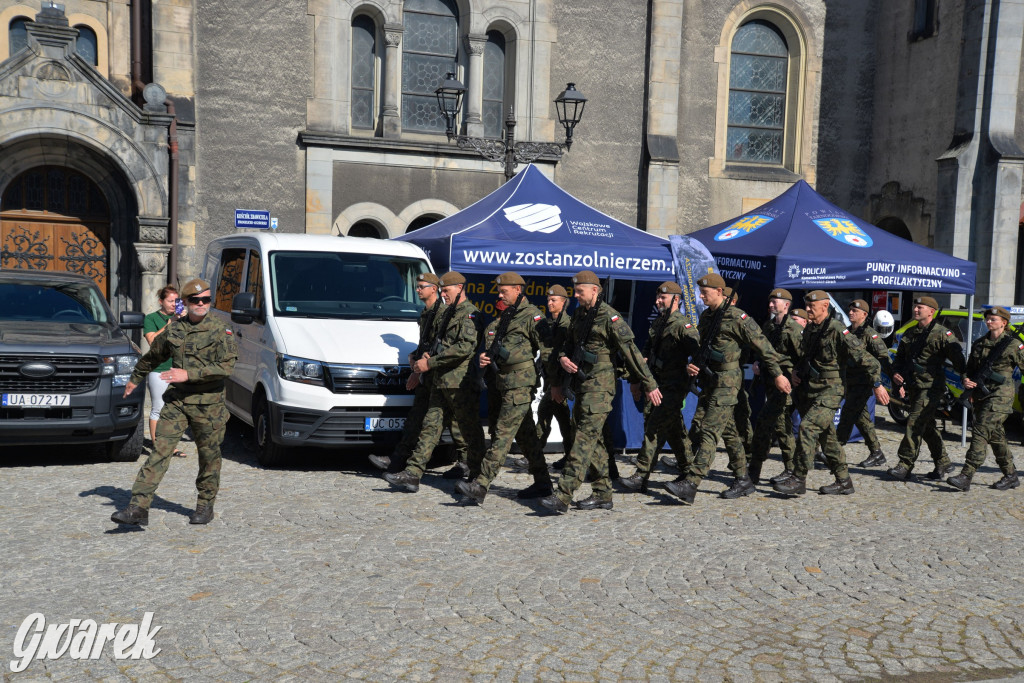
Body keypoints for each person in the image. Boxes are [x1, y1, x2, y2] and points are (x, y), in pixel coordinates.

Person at [110, 279, 238, 526]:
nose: (201, 304)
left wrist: (189, 374)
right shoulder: (175, 329)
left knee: (208, 456)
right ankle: (138, 508)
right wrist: (134, 378)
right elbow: (154, 356)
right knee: (160, 451)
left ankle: (204, 505)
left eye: (206, 300)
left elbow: (227, 366)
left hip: (208, 405)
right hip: (177, 401)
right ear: (186, 303)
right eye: (195, 300)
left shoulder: (222, 330)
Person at [540, 270, 660, 513]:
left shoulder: (610, 317)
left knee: (582, 440)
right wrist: (563, 358)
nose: (575, 296)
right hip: (582, 386)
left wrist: (649, 383)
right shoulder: (579, 315)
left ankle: (563, 495)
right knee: (593, 442)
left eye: (579, 291)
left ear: (595, 290)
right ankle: (603, 494)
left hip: (601, 387)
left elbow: (631, 353)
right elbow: (567, 345)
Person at [666, 274, 791, 504]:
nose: (701, 296)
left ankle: (691, 483)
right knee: (730, 432)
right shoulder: (706, 316)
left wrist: (778, 374)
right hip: (710, 381)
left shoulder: (737, 317)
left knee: (709, 431)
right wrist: (695, 364)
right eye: (700, 292)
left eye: (705, 292)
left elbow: (764, 346)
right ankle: (743, 479)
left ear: (720, 292)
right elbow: (703, 347)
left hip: (728, 382)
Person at [774, 291, 890, 496]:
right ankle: (844, 481)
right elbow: (804, 355)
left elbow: (867, 359)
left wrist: (878, 384)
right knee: (828, 438)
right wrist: (794, 370)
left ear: (825, 306)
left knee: (807, 427)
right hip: (812, 389)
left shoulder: (837, 329)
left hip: (831, 390)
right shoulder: (811, 328)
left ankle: (798, 478)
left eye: (812, 306)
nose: (808, 309)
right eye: (806, 305)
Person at [381, 271, 486, 492]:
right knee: (430, 426)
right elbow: (438, 343)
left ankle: (477, 477)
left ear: (459, 287)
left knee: (469, 432)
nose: (443, 294)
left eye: (446, 290)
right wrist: (425, 356)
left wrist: (431, 362)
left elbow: (464, 348)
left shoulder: (470, 314)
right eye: (442, 291)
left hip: (460, 383)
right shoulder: (448, 313)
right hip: (441, 381)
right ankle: (413, 474)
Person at [456, 272, 553, 504]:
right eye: (499, 291)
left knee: (502, 434)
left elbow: (548, 349)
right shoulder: (502, 320)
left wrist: (555, 383)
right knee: (527, 435)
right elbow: (492, 350)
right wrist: (484, 359)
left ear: (518, 290)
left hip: (520, 384)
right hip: (502, 384)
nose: (500, 294)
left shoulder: (532, 316)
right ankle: (543, 484)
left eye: (504, 291)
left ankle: (480, 485)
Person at [367, 273, 461, 473]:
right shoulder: (426, 313)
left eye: (421, 287)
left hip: (440, 376)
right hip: (426, 375)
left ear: (433, 289)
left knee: (451, 425)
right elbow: (426, 344)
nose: (417, 290)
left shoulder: (444, 314)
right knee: (416, 419)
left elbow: (444, 347)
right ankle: (398, 461)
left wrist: (420, 367)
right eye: (417, 287)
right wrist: (413, 356)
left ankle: (466, 464)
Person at [619, 281, 699, 493]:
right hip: (657, 382)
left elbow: (698, 348)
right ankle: (688, 468)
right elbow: (645, 353)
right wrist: (637, 380)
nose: (657, 301)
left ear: (675, 299)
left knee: (654, 428)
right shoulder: (658, 323)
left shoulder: (682, 324)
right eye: (657, 297)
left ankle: (641, 476)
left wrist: (694, 364)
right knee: (673, 430)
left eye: (662, 298)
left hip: (673, 386)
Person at [887, 296, 966, 482]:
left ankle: (905, 464)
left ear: (931, 311)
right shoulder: (910, 333)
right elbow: (900, 359)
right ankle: (943, 462)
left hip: (931, 388)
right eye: (915, 307)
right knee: (927, 426)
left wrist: (966, 379)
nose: (915, 310)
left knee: (913, 423)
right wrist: (896, 374)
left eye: (920, 307)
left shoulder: (941, 334)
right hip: (914, 386)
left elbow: (958, 360)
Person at [947, 307, 1024, 491]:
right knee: (996, 437)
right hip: (982, 395)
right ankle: (1011, 475)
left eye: (993, 319)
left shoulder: (1014, 344)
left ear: (1004, 323)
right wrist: (965, 379)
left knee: (981, 430)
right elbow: (970, 368)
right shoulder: (980, 343)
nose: (989, 322)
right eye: (988, 319)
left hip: (1000, 397)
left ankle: (966, 475)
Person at [748, 288, 803, 485]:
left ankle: (783, 469)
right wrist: (756, 362)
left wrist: (792, 374)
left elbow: (801, 359)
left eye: (775, 302)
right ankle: (782, 468)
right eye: (770, 302)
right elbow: (762, 350)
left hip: (785, 385)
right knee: (780, 426)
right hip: (770, 383)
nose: (771, 305)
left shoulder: (794, 330)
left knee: (776, 425)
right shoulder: (769, 326)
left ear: (786, 305)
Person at [836, 299, 893, 468]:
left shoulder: (870, 334)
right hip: (850, 382)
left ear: (864, 314)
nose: (851, 312)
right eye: (850, 310)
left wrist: (882, 382)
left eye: (855, 310)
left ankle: (835, 450)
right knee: (862, 419)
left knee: (847, 415)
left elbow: (883, 358)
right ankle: (877, 453)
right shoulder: (847, 332)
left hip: (863, 383)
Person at [142, 284, 186, 457]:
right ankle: (157, 445)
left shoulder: (183, 318)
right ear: (161, 302)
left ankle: (170, 445)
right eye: (170, 301)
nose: (174, 304)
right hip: (160, 369)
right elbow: (153, 341)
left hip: (179, 370)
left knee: (176, 409)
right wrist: (170, 323)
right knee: (159, 408)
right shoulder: (151, 318)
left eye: (177, 301)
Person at [535, 285, 575, 465]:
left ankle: (534, 455)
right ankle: (569, 456)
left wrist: (558, 384)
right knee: (563, 421)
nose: (549, 303)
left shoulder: (567, 325)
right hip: (550, 379)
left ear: (564, 302)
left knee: (548, 415)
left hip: (560, 381)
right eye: (548, 300)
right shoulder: (546, 324)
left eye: (554, 300)